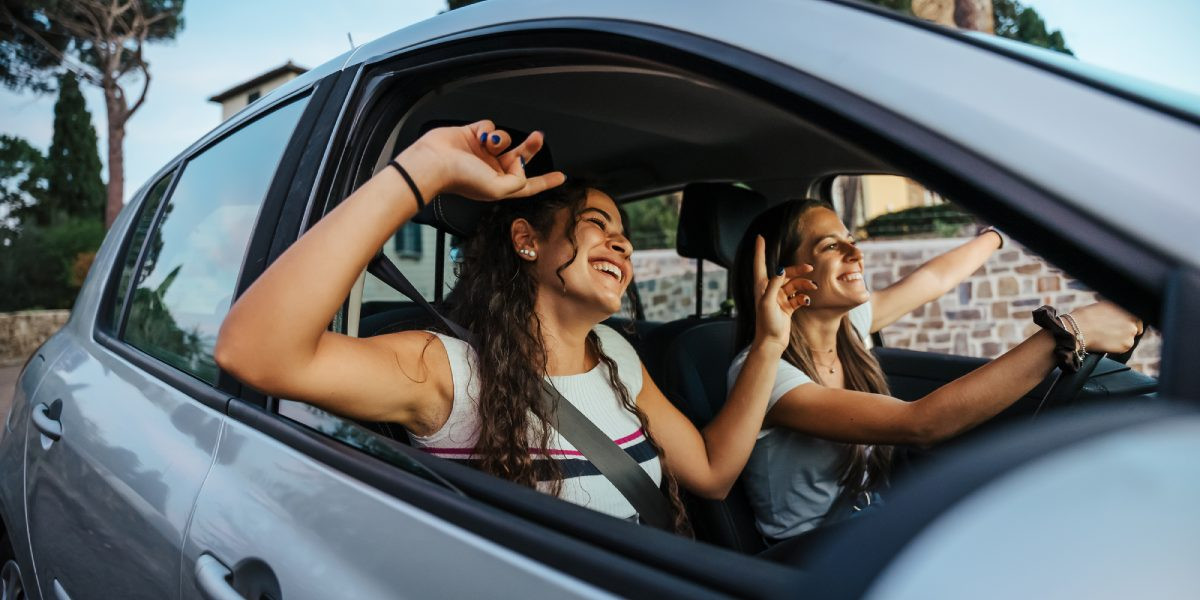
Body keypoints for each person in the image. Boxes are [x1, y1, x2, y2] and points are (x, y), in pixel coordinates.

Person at [214, 121, 818, 532]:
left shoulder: (615, 355)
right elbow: (254, 353)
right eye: (595, 222)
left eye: (624, 233)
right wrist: (422, 169)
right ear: (527, 241)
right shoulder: (443, 370)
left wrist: (768, 344)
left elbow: (712, 477)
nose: (623, 241)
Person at [727, 199, 1142, 541]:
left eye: (851, 240)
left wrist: (1000, 234)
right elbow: (920, 423)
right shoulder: (765, 371)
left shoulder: (848, 327)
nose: (857, 254)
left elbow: (935, 278)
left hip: (872, 524)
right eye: (830, 247)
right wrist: (1068, 332)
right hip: (810, 556)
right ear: (784, 277)